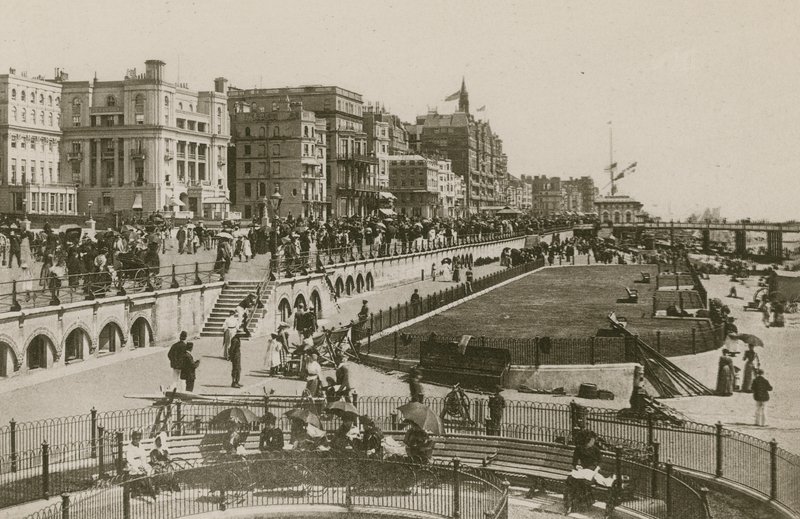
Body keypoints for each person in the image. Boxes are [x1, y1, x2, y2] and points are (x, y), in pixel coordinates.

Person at [124, 430, 157, 500]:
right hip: (133, 464)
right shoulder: (129, 447)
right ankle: (150, 490)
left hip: (142, 463)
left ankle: (147, 488)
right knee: (139, 471)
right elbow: (130, 459)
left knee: (149, 470)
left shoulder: (141, 446)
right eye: (135, 438)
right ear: (132, 438)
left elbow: (143, 456)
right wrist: (138, 466)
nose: (137, 440)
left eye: (138, 438)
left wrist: (143, 464)